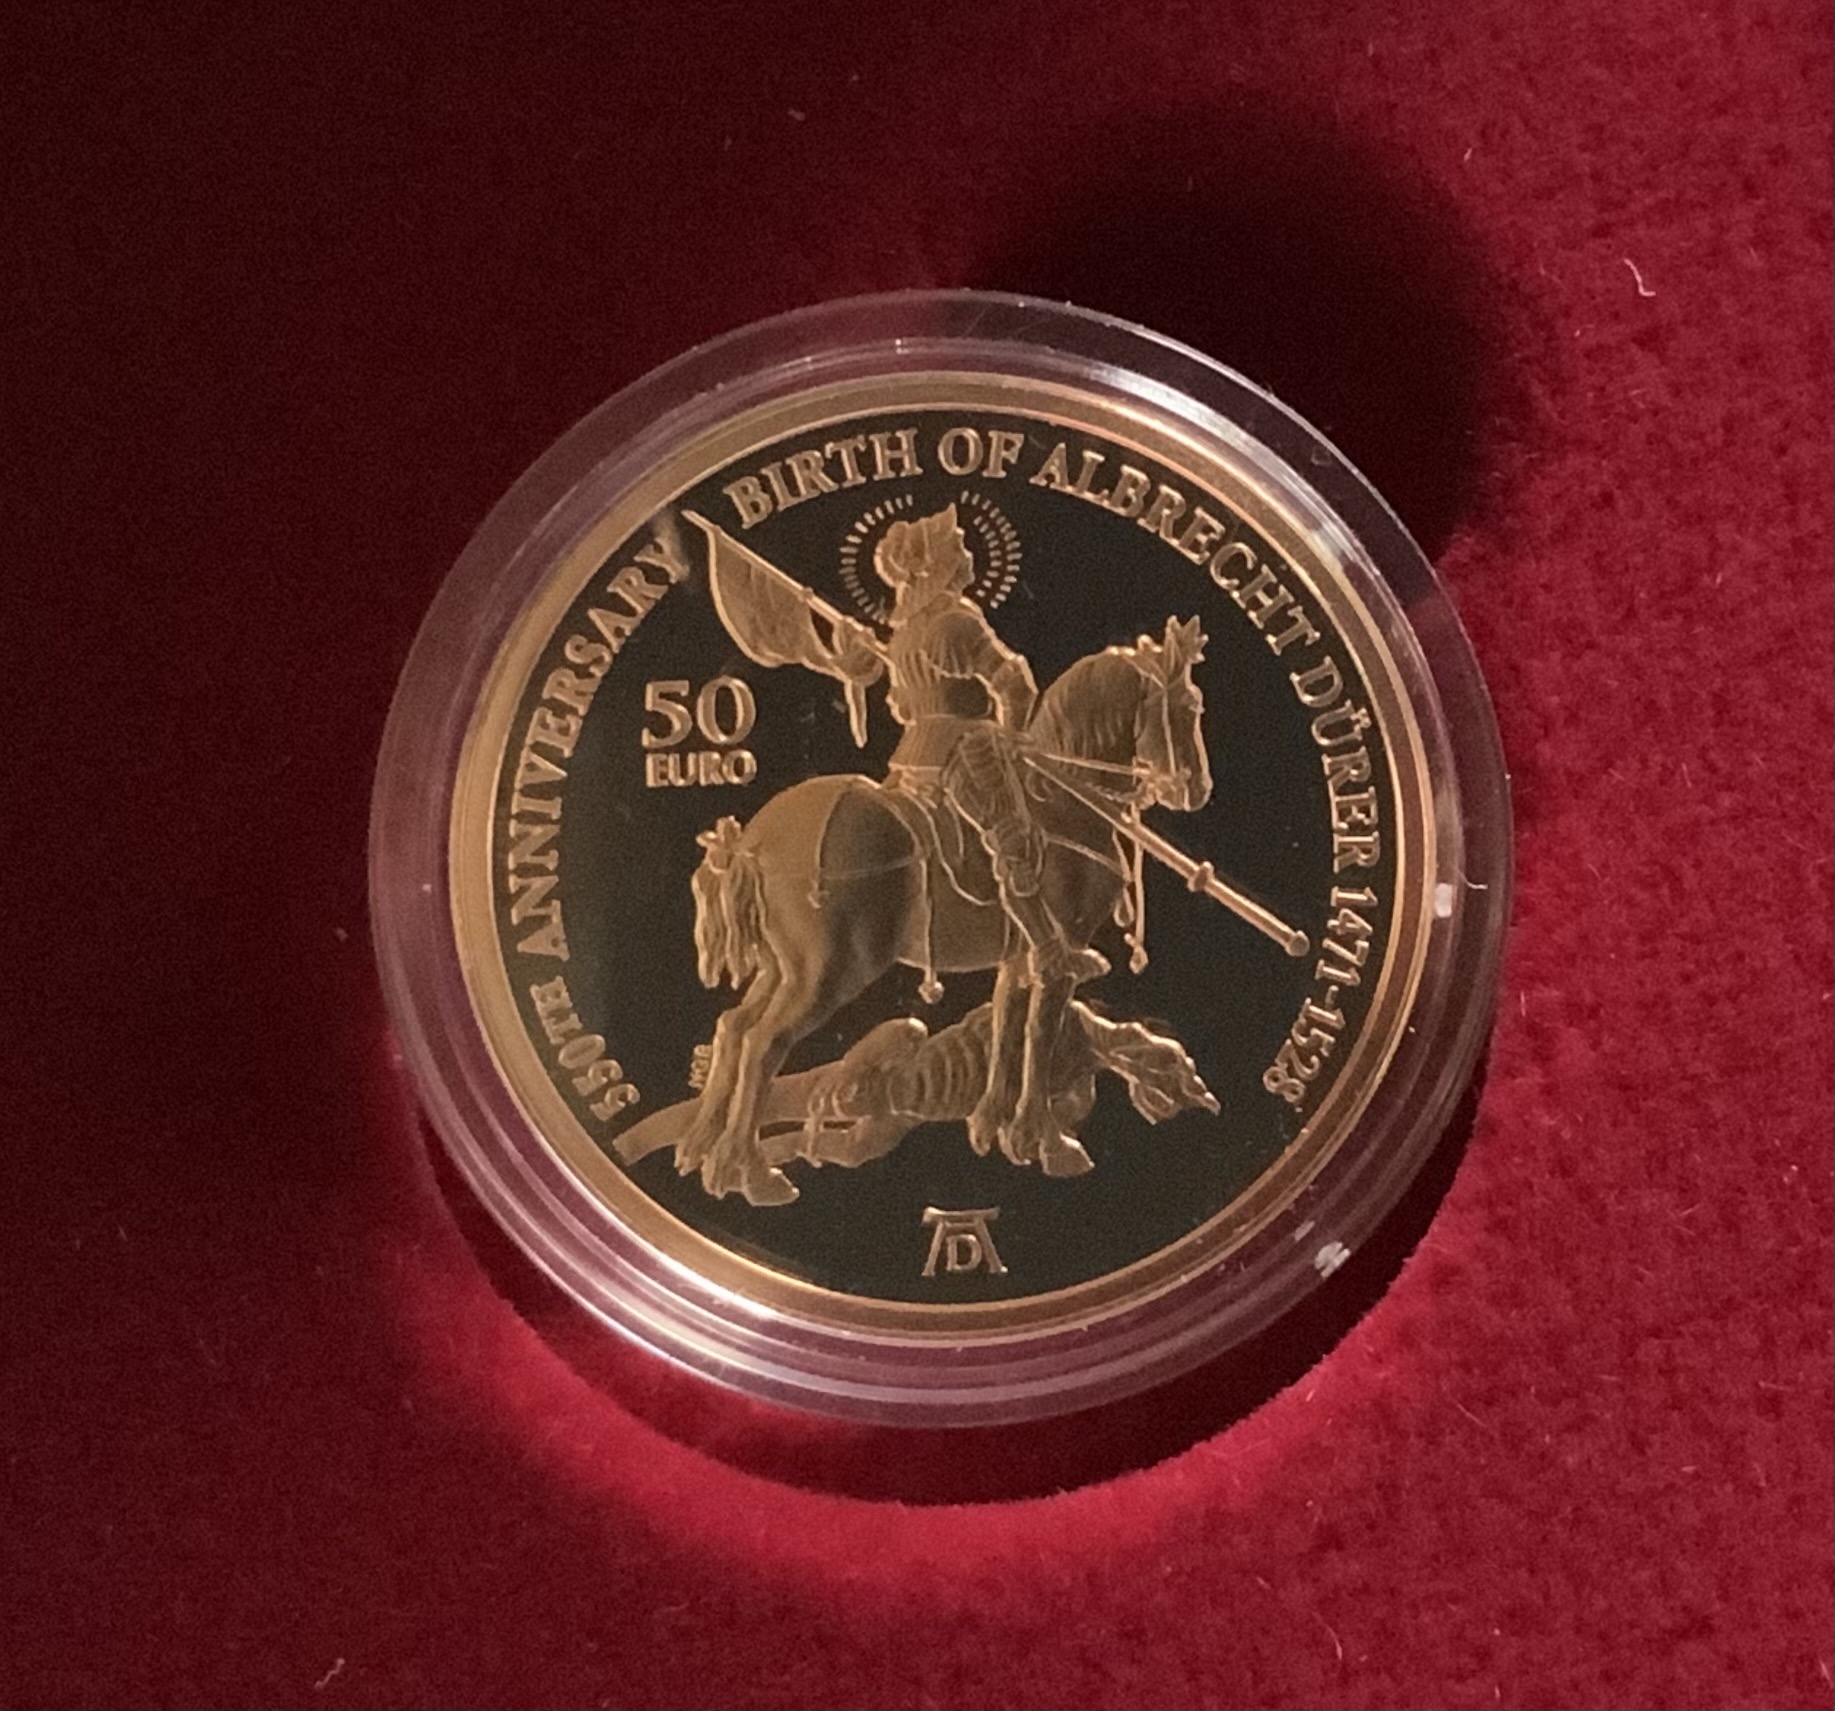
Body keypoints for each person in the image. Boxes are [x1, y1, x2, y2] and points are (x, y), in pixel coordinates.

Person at [832, 505, 1073, 981]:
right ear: (935, 563)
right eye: (956, 545)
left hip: (911, 757)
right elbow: (1015, 683)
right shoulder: (956, 622)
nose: (966, 552)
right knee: (1013, 839)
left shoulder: (904, 634)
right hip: (964, 746)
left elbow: (902, 707)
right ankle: (1047, 949)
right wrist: (1014, 736)